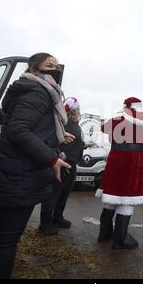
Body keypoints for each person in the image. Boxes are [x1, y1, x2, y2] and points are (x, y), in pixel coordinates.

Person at [0, 53, 73, 279]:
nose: (54, 69)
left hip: (10, 167)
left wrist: (55, 134)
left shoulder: (28, 87)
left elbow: (24, 124)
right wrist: (52, 158)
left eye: (56, 65)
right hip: (21, 173)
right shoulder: (39, 91)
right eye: (49, 65)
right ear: (34, 67)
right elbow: (18, 129)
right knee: (7, 239)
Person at [96, 97, 143, 250]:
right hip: (133, 161)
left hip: (115, 159)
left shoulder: (116, 118)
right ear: (138, 106)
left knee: (112, 195)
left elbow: (103, 128)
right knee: (128, 198)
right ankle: (120, 239)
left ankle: (104, 233)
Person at [39, 97, 85, 235]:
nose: (79, 110)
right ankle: (45, 223)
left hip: (72, 163)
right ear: (74, 109)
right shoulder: (62, 122)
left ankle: (58, 217)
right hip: (61, 163)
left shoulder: (75, 123)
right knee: (53, 194)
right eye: (78, 108)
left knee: (64, 194)